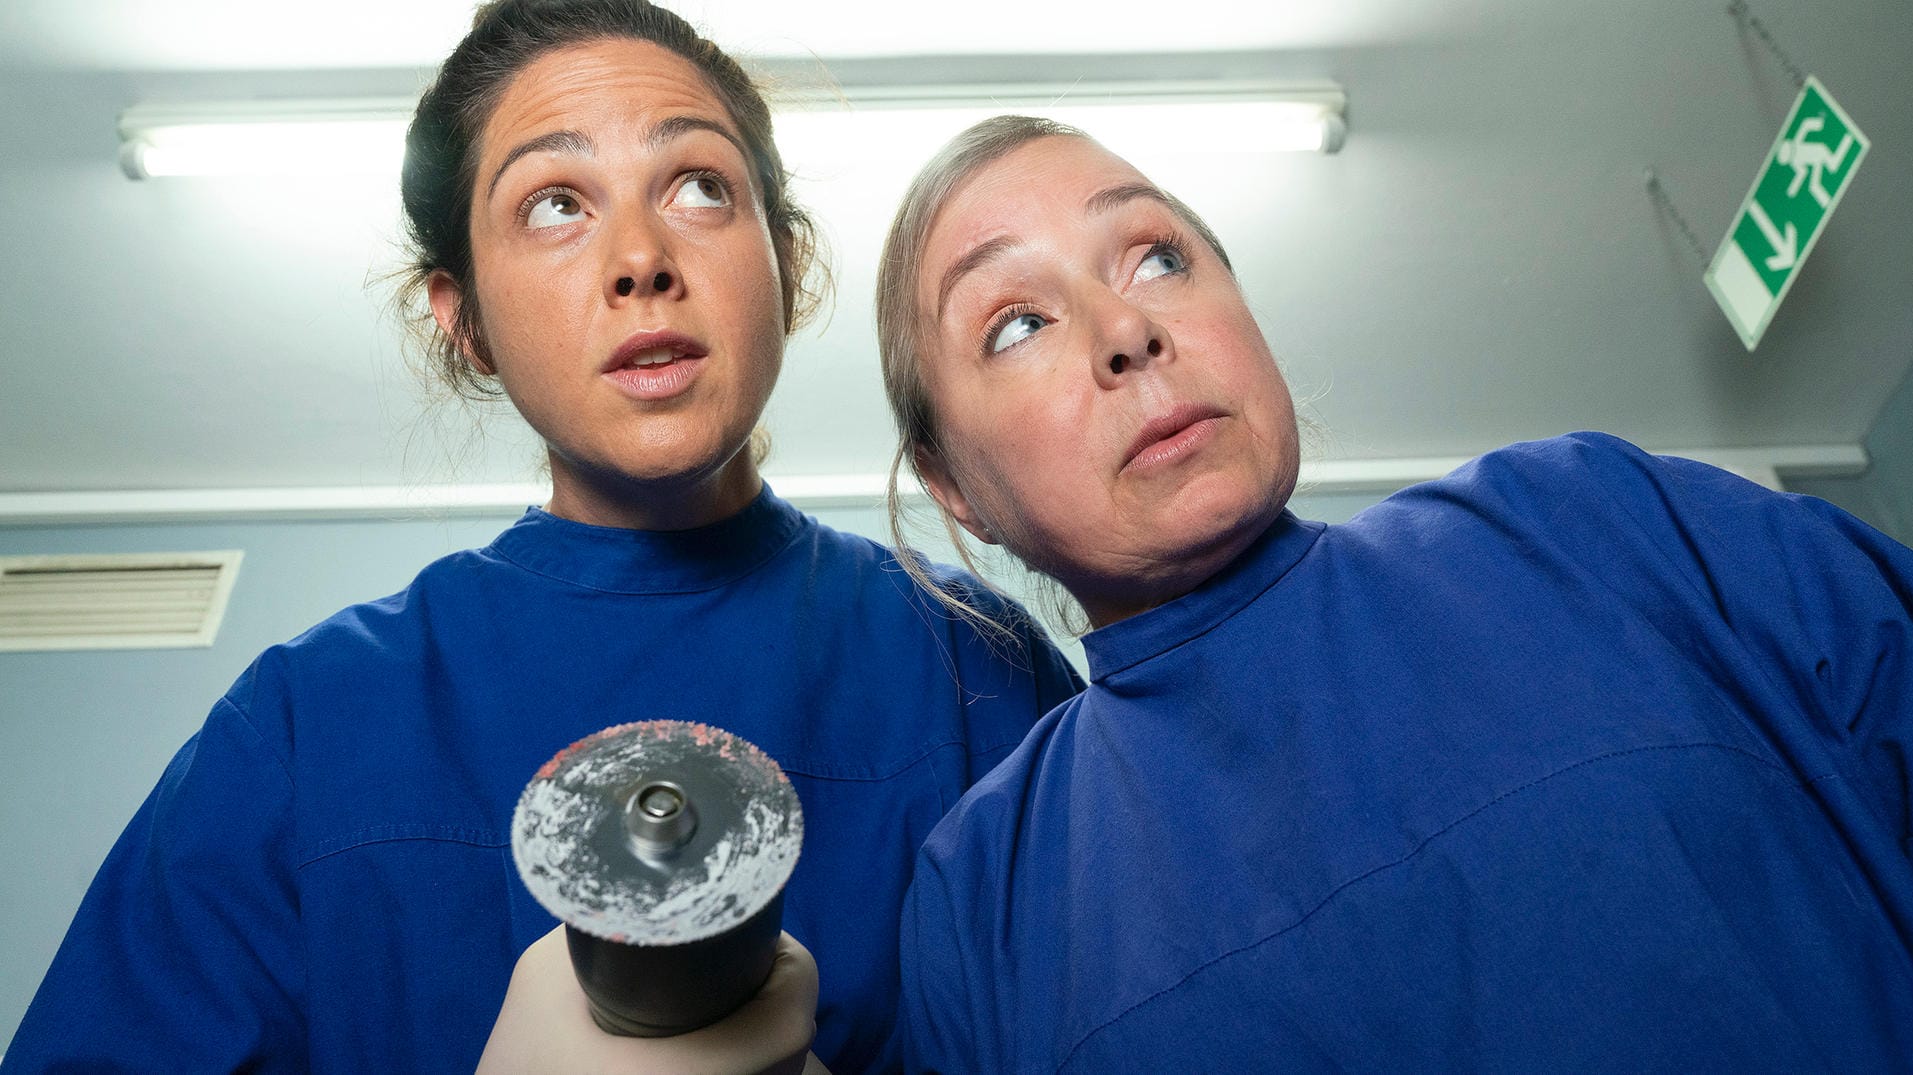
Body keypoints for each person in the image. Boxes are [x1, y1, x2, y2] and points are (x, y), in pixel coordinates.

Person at [2, 11, 1080, 1072]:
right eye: (555, 203)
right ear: (462, 317)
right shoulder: (303, 727)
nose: (641, 258)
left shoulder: (968, 662)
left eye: (700, 185)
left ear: (785, 261)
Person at [875, 115, 1913, 1072]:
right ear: (954, 486)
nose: (1125, 327)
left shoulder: (1596, 522)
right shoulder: (986, 906)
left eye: (1157, 258)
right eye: (1015, 323)